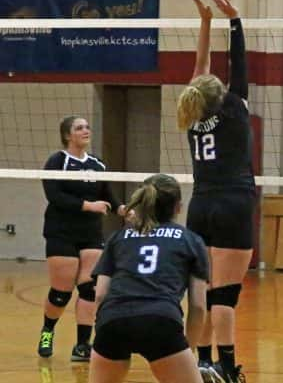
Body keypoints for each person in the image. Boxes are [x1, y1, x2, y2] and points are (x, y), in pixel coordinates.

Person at [177, 0, 255, 383]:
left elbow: (200, 68)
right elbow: (236, 66)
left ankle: (202, 360)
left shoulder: (192, 113)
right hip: (234, 202)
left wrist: (206, 24)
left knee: (203, 292)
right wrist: (235, 21)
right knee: (225, 295)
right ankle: (226, 366)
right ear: (220, 93)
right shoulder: (235, 107)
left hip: (201, 205)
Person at [89, 174, 208, 383]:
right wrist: (188, 349)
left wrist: (105, 333)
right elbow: (198, 306)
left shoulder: (118, 237)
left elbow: (100, 296)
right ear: (178, 207)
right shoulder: (191, 240)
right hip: (160, 321)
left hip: (113, 319)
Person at [39, 115, 125, 361]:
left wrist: (122, 210)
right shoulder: (58, 161)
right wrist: (88, 205)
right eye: (79, 128)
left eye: (87, 127)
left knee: (89, 288)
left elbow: (108, 194)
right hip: (61, 231)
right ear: (68, 135)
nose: (86, 130)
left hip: (90, 234)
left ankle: (82, 346)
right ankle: (47, 331)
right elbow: (54, 196)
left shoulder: (98, 164)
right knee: (61, 292)